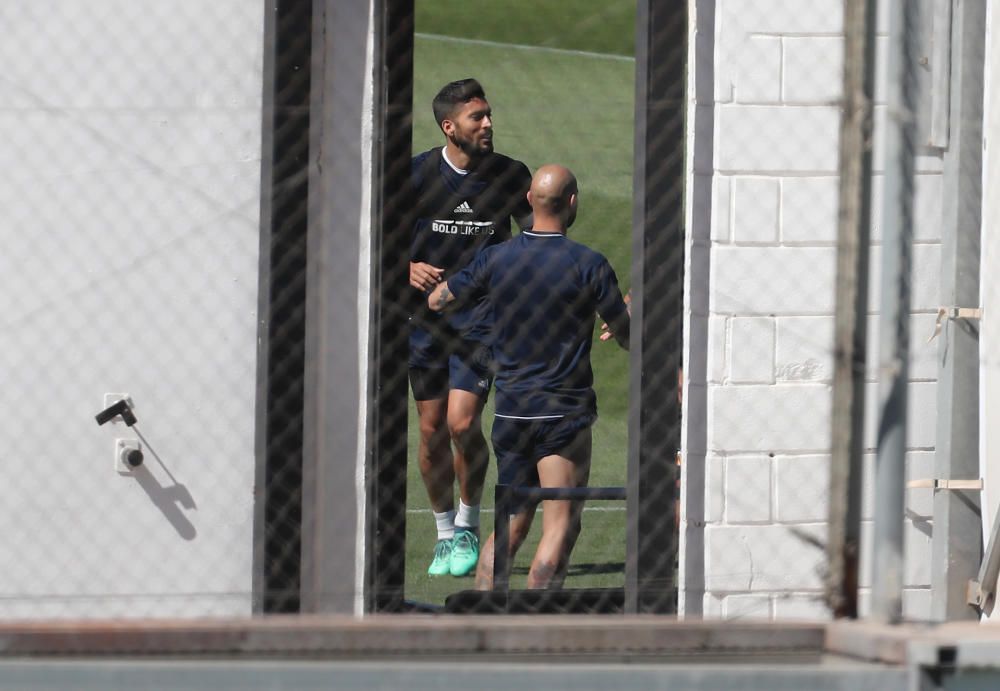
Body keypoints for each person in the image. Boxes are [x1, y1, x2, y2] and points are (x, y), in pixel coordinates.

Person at [428, 164, 630, 589]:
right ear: (572, 202)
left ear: (528, 201)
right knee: (559, 528)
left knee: (509, 531)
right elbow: (628, 335)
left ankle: (484, 621)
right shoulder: (588, 265)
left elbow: (439, 299)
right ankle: (538, 625)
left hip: (511, 415)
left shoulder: (496, 259)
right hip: (563, 417)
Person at [408, 78, 533, 577]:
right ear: (449, 126)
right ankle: (444, 536)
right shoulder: (415, 175)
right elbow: (373, 232)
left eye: (488, 114)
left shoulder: (509, 175)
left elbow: (537, 233)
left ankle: (467, 522)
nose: (488, 124)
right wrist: (404, 266)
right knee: (432, 430)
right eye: (476, 117)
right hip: (422, 322)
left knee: (463, 423)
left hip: (482, 321)